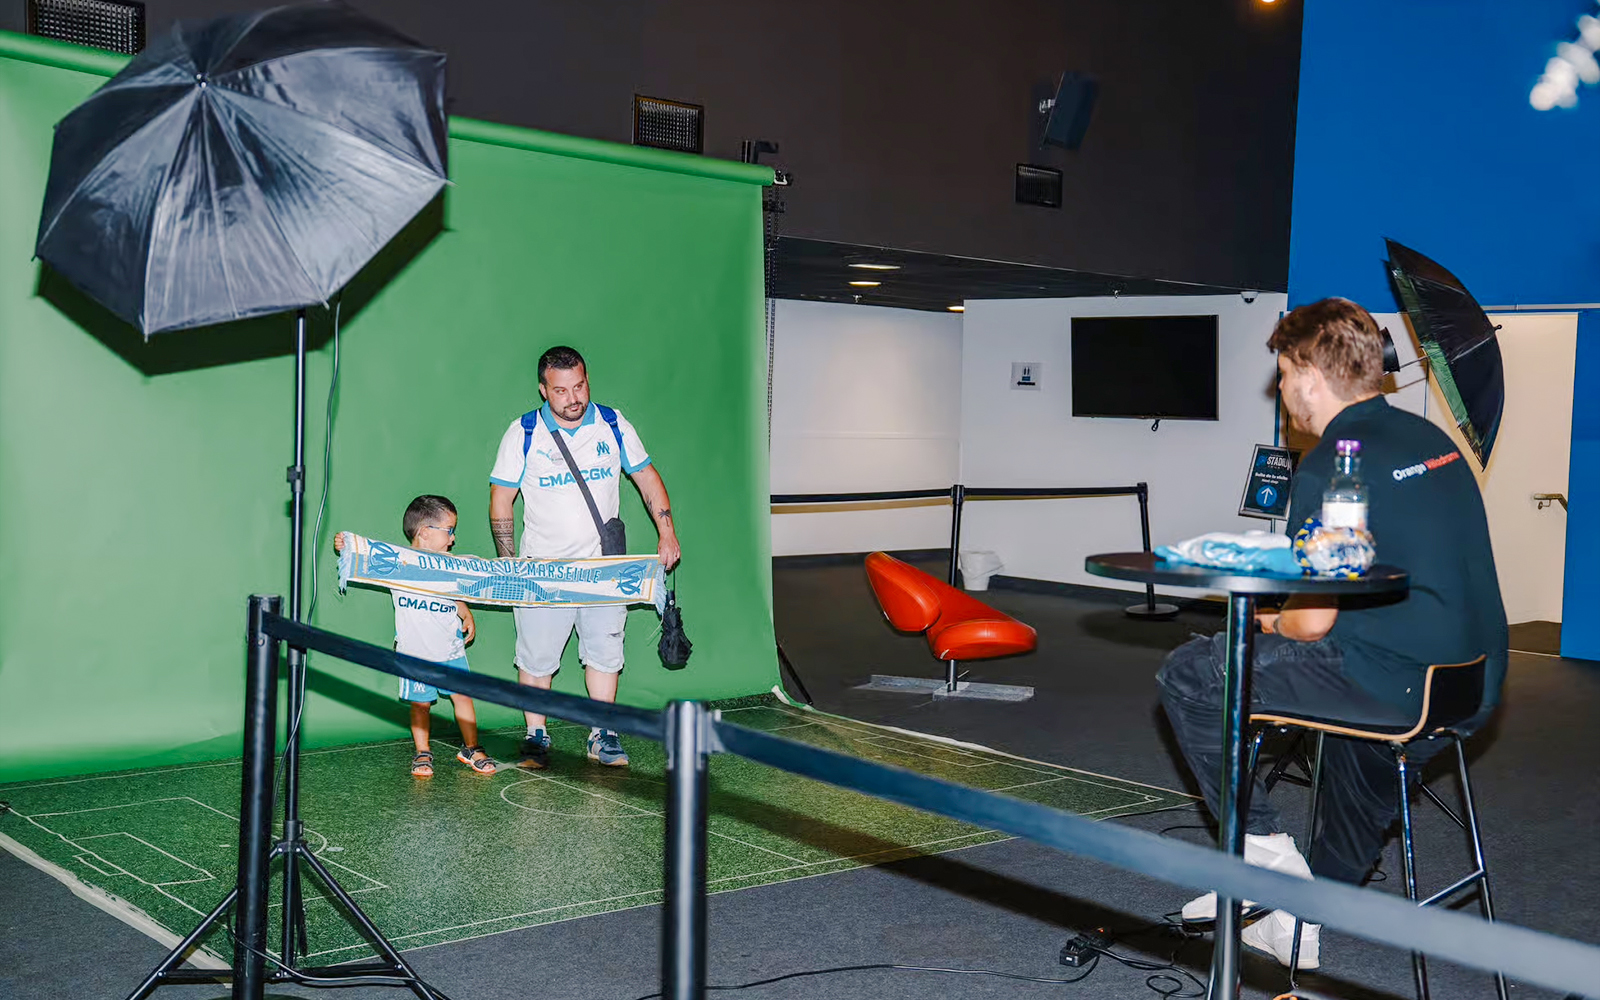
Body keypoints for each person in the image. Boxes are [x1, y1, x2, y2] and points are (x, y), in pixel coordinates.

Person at [1155, 298, 1507, 969]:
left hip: (1395, 684)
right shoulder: (1434, 444)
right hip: (1469, 685)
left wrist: (1271, 618)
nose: (1281, 391)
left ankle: (1264, 866)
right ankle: (1300, 916)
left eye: (1284, 375)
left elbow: (1312, 623)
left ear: (1310, 374)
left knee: (1192, 674)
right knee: (1352, 741)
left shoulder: (1331, 463)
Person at [488, 346, 681, 769]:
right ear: (543, 390)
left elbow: (646, 476)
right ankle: (536, 733)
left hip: (603, 570)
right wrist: (508, 563)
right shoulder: (523, 432)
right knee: (537, 658)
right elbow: (502, 498)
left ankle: (603, 733)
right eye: (560, 390)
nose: (573, 398)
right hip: (542, 569)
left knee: (605, 653)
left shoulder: (613, 424)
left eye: (579, 386)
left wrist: (667, 531)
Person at [334, 495, 494, 779]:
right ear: (424, 532)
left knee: (463, 696)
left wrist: (464, 611)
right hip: (414, 652)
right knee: (420, 705)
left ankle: (471, 747)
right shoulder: (397, 564)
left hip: (451, 650)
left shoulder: (451, 564)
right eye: (449, 530)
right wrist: (345, 544)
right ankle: (423, 751)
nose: (453, 539)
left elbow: (453, 593)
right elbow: (362, 554)